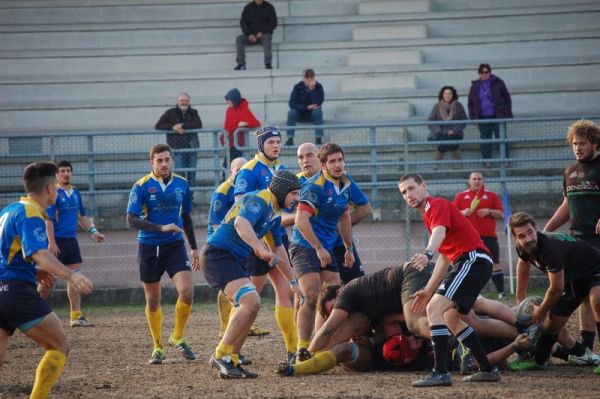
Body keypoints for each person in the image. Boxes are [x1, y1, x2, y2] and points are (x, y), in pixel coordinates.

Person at [0, 161, 93, 398]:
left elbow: (10, 253)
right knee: (59, 345)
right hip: (15, 291)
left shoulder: (8, 210)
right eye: (57, 187)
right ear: (50, 188)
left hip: (3, 289)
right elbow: (38, 252)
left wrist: (34, 271)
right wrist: (71, 275)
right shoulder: (31, 212)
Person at [398, 173, 501, 387]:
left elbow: (438, 233)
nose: (408, 194)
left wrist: (427, 254)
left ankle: (440, 372)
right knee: (451, 318)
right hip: (469, 262)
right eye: (404, 192)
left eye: (411, 188)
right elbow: (445, 256)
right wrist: (428, 289)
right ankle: (488, 368)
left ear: (423, 186)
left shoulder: (435, 205)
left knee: (434, 309)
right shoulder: (430, 214)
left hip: (472, 259)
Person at [203, 170, 301, 378]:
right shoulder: (258, 199)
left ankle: (232, 360)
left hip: (230, 259)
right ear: (282, 190)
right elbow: (241, 223)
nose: (297, 198)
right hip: (218, 256)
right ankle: (221, 355)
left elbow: (278, 249)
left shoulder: (274, 212)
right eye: (293, 193)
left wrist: (293, 281)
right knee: (251, 301)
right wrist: (258, 248)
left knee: (250, 305)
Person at [126, 144, 200, 365]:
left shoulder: (182, 184)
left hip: (174, 246)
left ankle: (177, 336)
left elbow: (186, 216)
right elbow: (131, 220)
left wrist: (194, 247)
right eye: (159, 160)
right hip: (149, 247)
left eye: (167, 159)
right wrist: (160, 228)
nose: (164, 164)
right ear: (152, 163)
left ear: (172, 161)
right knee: (153, 299)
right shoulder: (141, 186)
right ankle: (157, 346)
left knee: (187, 292)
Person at [507, 212, 600, 374]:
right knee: (553, 323)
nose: (528, 238)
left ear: (535, 229)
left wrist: (541, 311)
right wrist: (520, 298)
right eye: (521, 236)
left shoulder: (550, 250)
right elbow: (523, 265)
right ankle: (539, 359)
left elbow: (556, 289)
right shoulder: (523, 247)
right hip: (574, 276)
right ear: (515, 239)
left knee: (597, 300)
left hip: (595, 266)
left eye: (530, 232)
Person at [234, 125, 299, 357]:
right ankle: (233, 350)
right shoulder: (249, 170)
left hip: (277, 236)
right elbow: (240, 205)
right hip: (257, 241)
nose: (277, 146)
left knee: (286, 291)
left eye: (279, 142)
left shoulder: (280, 169)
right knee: (250, 298)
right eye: (271, 142)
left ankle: (293, 349)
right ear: (261, 145)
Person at [290, 143, 356, 361]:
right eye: (332, 161)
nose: (338, 165)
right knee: (311, 295)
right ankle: (301, 348)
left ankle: (316, 348)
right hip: (304, 246)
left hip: (326, 248)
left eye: (340, 160)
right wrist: (318, 248)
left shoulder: (345, 183)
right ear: (323, 164)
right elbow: (300, 220)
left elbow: (345, 216)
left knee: (333, 299)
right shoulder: (314, 186)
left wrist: (348, 247)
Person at [544, 119, 600, 352]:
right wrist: (546, 230)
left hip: (598, 242)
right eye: (574, 143)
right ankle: (586, 351)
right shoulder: (569, 171)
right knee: (582, 297)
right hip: (577, 242)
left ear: (595, 144)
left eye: (583, 143)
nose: (578, 147)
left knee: (597, 297)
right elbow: (567, 205)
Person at [41, 160, 104, 327]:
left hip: (71, 241)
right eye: (62, 171)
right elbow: (48, 219)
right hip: (57, 241)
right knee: (48, 279)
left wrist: (93, 232)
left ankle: (76, 316)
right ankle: (31, 312)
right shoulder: (53, 192)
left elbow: (81, 216)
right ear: (56, 175)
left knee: (74, 277)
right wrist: (51, 242)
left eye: (68, 170)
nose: (66, 173)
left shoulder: (75, 192)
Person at [296, 142, 371, 284]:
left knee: (357, 286)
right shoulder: (298, 182)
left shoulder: (344, 180)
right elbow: (288, 218)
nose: (305, 160)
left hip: (336, 243)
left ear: (318, 158)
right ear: (324, 163)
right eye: (301, 157)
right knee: (310, 293)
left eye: (310, 155)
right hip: (309, 245)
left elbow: (363, 209)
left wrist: (340, 234)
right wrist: (305, 214)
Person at [207, 156, 247, 339]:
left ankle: (241, 320)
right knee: (227, 288)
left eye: (243, 169)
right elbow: (216, 225)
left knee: (241, 284)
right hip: (221, 245)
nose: (240, 172)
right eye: (237, 169)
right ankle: (226, 329)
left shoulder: (246, 188)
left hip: (238, 243)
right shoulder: (223, 191)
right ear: (230, 172)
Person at [453, 171, 505, 298]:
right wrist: (463, 212)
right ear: (469, 181)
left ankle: (501, 293)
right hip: (468, 237)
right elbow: (452, 214)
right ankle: (471, 292)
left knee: (495, 263)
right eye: (474, 179)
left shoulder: (491, 195)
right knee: (468, 263)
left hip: (488, 236)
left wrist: (489, 211)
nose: (477, 181)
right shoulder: (461, 196)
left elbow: (502, 214)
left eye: (479, 179)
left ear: (483, 181)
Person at [468, 63, 512, 168]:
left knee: (501, 138)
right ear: (479, 73)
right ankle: (487, 160)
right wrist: (474, 119)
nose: (484, 74)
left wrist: (507, 113)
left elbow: (507, 98)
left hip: (498, 116)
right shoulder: (475, 86)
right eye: (482, 72)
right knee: (485, 139)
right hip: (483, 117)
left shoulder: (498, 82)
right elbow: (471, 103)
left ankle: (505, 159)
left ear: (490, 72)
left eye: (486, 72)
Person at [154, 92, 202, 189]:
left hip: (192, 148)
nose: (184, 102)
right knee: (179, 174)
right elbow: (158, 126)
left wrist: (182, 125)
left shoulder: (194, 112)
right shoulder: (170, 113)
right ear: (177, 101)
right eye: (181, 100)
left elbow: (198, 124)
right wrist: (172, 127)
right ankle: (180, 198)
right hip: (178, 149)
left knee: (192, 173)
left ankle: (190, 199)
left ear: (189, 102)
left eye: (186, 101)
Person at [427, 85, 467, 170]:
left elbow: (464, 120)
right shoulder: (437, 106)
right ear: (442, 95)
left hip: (456, 133)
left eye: (450, 93)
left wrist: (454, 130)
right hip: (441, 133)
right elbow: (430, 121)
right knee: (446, 141)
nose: (448, 95)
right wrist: (442, 131)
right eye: (446, 93)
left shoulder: (458, 106)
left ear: (453, 95)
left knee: (448, 141)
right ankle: (458, 164)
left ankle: (436, 164)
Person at [222, 88, 261, 169]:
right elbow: (227, 125)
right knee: (226, 166)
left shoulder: (244, 110)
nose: (227, 103)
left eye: (229, 101)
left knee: (231, 166)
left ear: (234, 100)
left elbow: (256, 123)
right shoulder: (229, 110)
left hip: (237, 144)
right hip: (228, 142)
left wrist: (246, 124)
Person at [285, 69, 325, 146]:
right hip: (300, 113)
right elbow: (292, 104)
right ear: (303, 78)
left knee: (318, 111)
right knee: (291, 113)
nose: (309, 79)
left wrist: (311, 90)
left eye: (311, 77)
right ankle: (290, 139)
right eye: (307, 77)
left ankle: (318, 138)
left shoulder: (318, 87)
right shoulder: (297, 87)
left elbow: (318, 102)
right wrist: (306, 107)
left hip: (312, 114)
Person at [234, 0, 277, 70]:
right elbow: (243, 23)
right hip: (250, 36)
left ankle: (268, 63)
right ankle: (241, 64)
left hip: (263, 35)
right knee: (239, 39)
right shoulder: (248, 8)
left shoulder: (269, 7)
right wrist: (249, 34)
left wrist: (262, 32)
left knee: (266, 37)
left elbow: (273, 23)